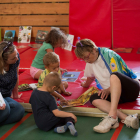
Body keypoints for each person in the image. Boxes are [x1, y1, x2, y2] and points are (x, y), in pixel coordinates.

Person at [74, 38, 140, 133]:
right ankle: (126, 118)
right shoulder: (89, 61)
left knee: (114, 75)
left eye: (86, 57)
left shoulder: (108, 54)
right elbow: (90, 77)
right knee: (93, 98)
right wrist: (85, 85)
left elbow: (120, 77)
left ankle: (112, 117)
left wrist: (108, 89)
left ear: (93, 49)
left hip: (130, 90)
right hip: (116, 95)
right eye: (83, 59)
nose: (85, 60)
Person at [29, 72, 78, 136]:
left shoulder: (34, 92)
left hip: (39, 124)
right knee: (67, 117)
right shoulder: (50, 98)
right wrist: (71, 114)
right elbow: (56, 113)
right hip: (48, 120)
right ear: (53, 87)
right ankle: (69, 123)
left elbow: (33, 104)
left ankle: (58, 128)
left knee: (56, 119)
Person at [0, 41, 25, 125]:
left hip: (5, 95)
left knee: (19, 111)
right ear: (3, 60)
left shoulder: (15, 60)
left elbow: (16, 76)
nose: (17, 58)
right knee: (5, 110)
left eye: (16, 55)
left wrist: (15, 95)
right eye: (13, 58)